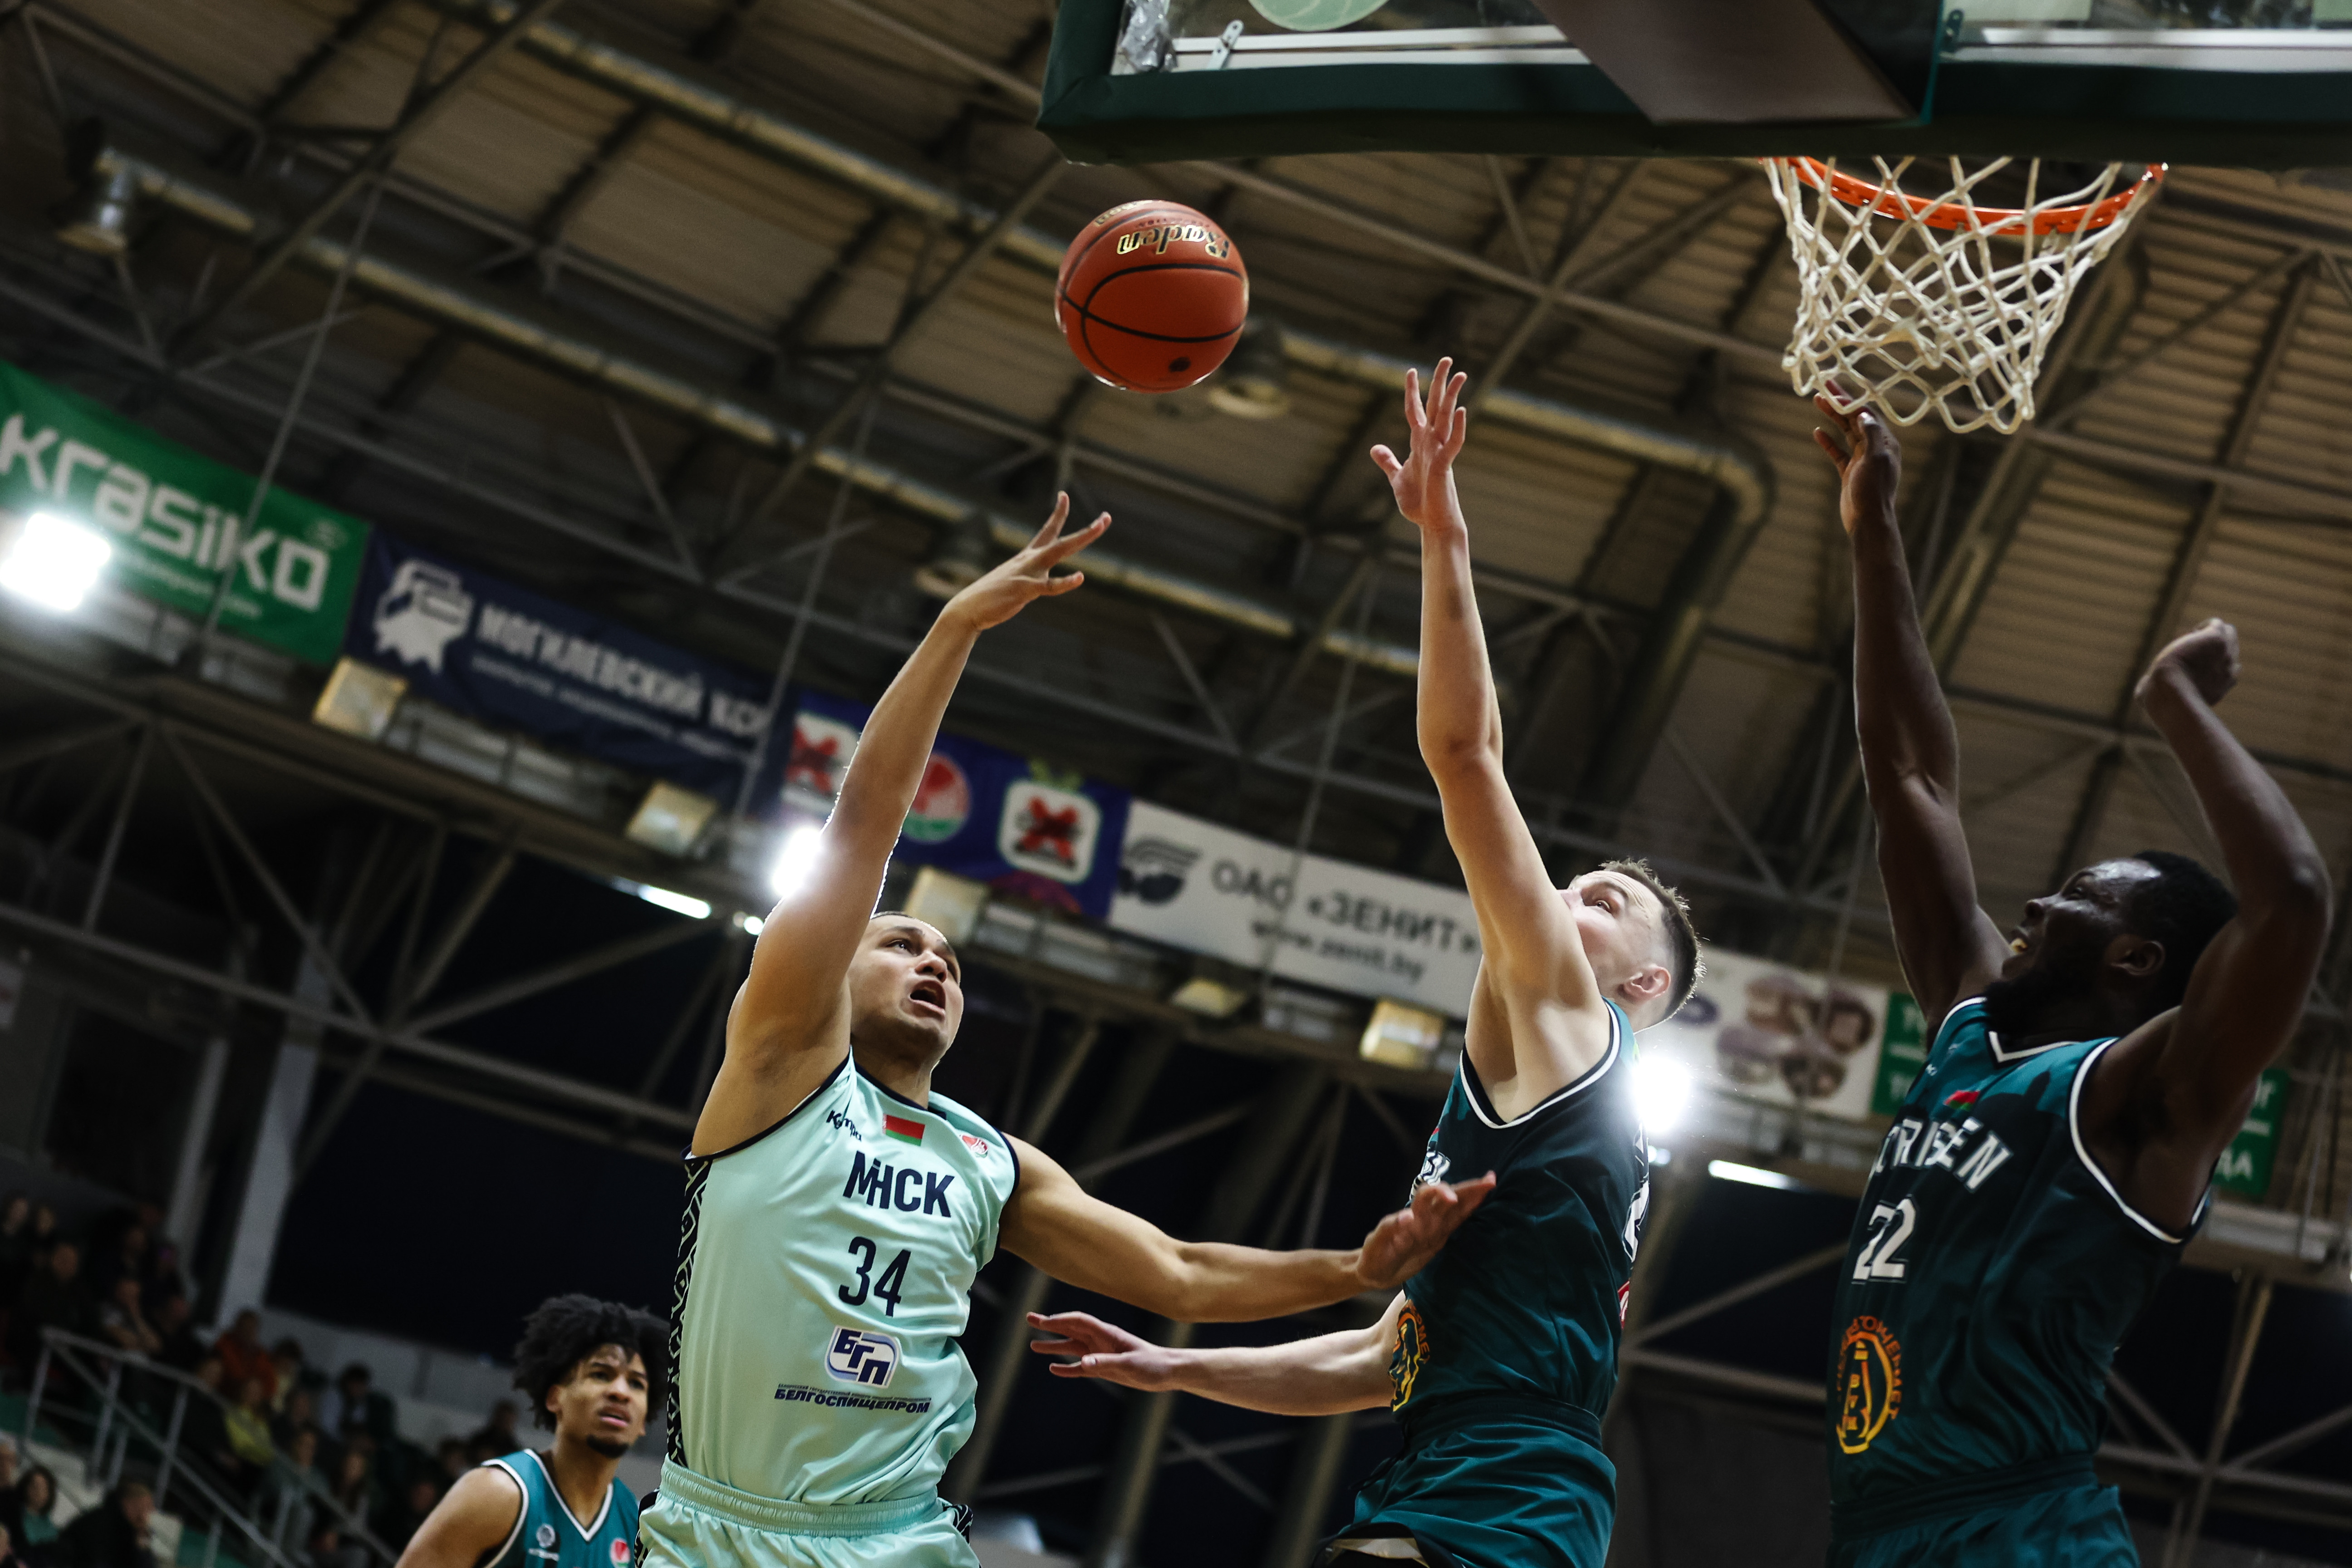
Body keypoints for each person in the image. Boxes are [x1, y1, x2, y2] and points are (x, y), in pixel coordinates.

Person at [639, 495, 1497, 1568]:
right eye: (900, 943)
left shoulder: (989, 1160)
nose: (934, 962)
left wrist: (1356, 1265)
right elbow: (863, 827)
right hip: (721, 1528)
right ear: (828, 967)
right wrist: (954, 627)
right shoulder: (780, 1068)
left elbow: (1180, 1271)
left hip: (894, 1539)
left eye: (950, 962)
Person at [1027, 365, 1701, 1568]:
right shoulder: (1533, 1093)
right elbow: (1377, 1353)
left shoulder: (1571, 1016)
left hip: (1506, 1484)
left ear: (1641, 987)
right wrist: (1171, 1364)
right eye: (1566, 883)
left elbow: (1463, 753)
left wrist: (1442, 537)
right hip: (1451, 1471)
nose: (1559, 897)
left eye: (1599, 901)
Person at [1806, 395, 2332, 1568]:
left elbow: (2291, 901)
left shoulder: (2144, 1098)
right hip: (1879, 1535)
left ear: (2133, 957)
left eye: (2075, 894)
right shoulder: (1964, 1027)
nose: (2033, 904)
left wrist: (2172, 702)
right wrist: (1872, 525)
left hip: (2020, 1532)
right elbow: (1909, 776)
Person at [392, 1295, 661, 1568]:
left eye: (637, 1384)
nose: (621, 1392)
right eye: (601, 1375)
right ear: (555, 1398)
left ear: (644, 1422)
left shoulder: (634, 1522)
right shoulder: (497, 1493)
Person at [9, 1244, 89, 1368]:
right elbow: (33, 1316)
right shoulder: (37, 1281)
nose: (67, 1265)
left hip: (67, 1348)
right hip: (32, 1342)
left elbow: (88, 1320)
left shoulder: (79, 1291)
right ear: (52, 1259)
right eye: (63, 1259)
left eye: (72, 1262)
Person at [53, 1480, 154, 1568]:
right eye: (142, 1507)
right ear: (127, 1504)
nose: (145, 1514)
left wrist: (142, 1544)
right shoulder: (98, 1523)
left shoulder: (132, 1532)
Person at [214, 1310, 276, 1405]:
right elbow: (231, 1373)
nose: (248, 1332)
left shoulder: (261, 1355)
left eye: (252, 1328)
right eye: (245, 1327)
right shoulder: (225, 1344)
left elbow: (270, 1386)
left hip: (249, 1406)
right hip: (221, 1398)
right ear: (238, 1327)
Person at [0, 1468, 58, 1564]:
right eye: (34, 1486)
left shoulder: (50, 1532)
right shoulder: (9, 1504)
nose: (37, 1492)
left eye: (43, 1489)